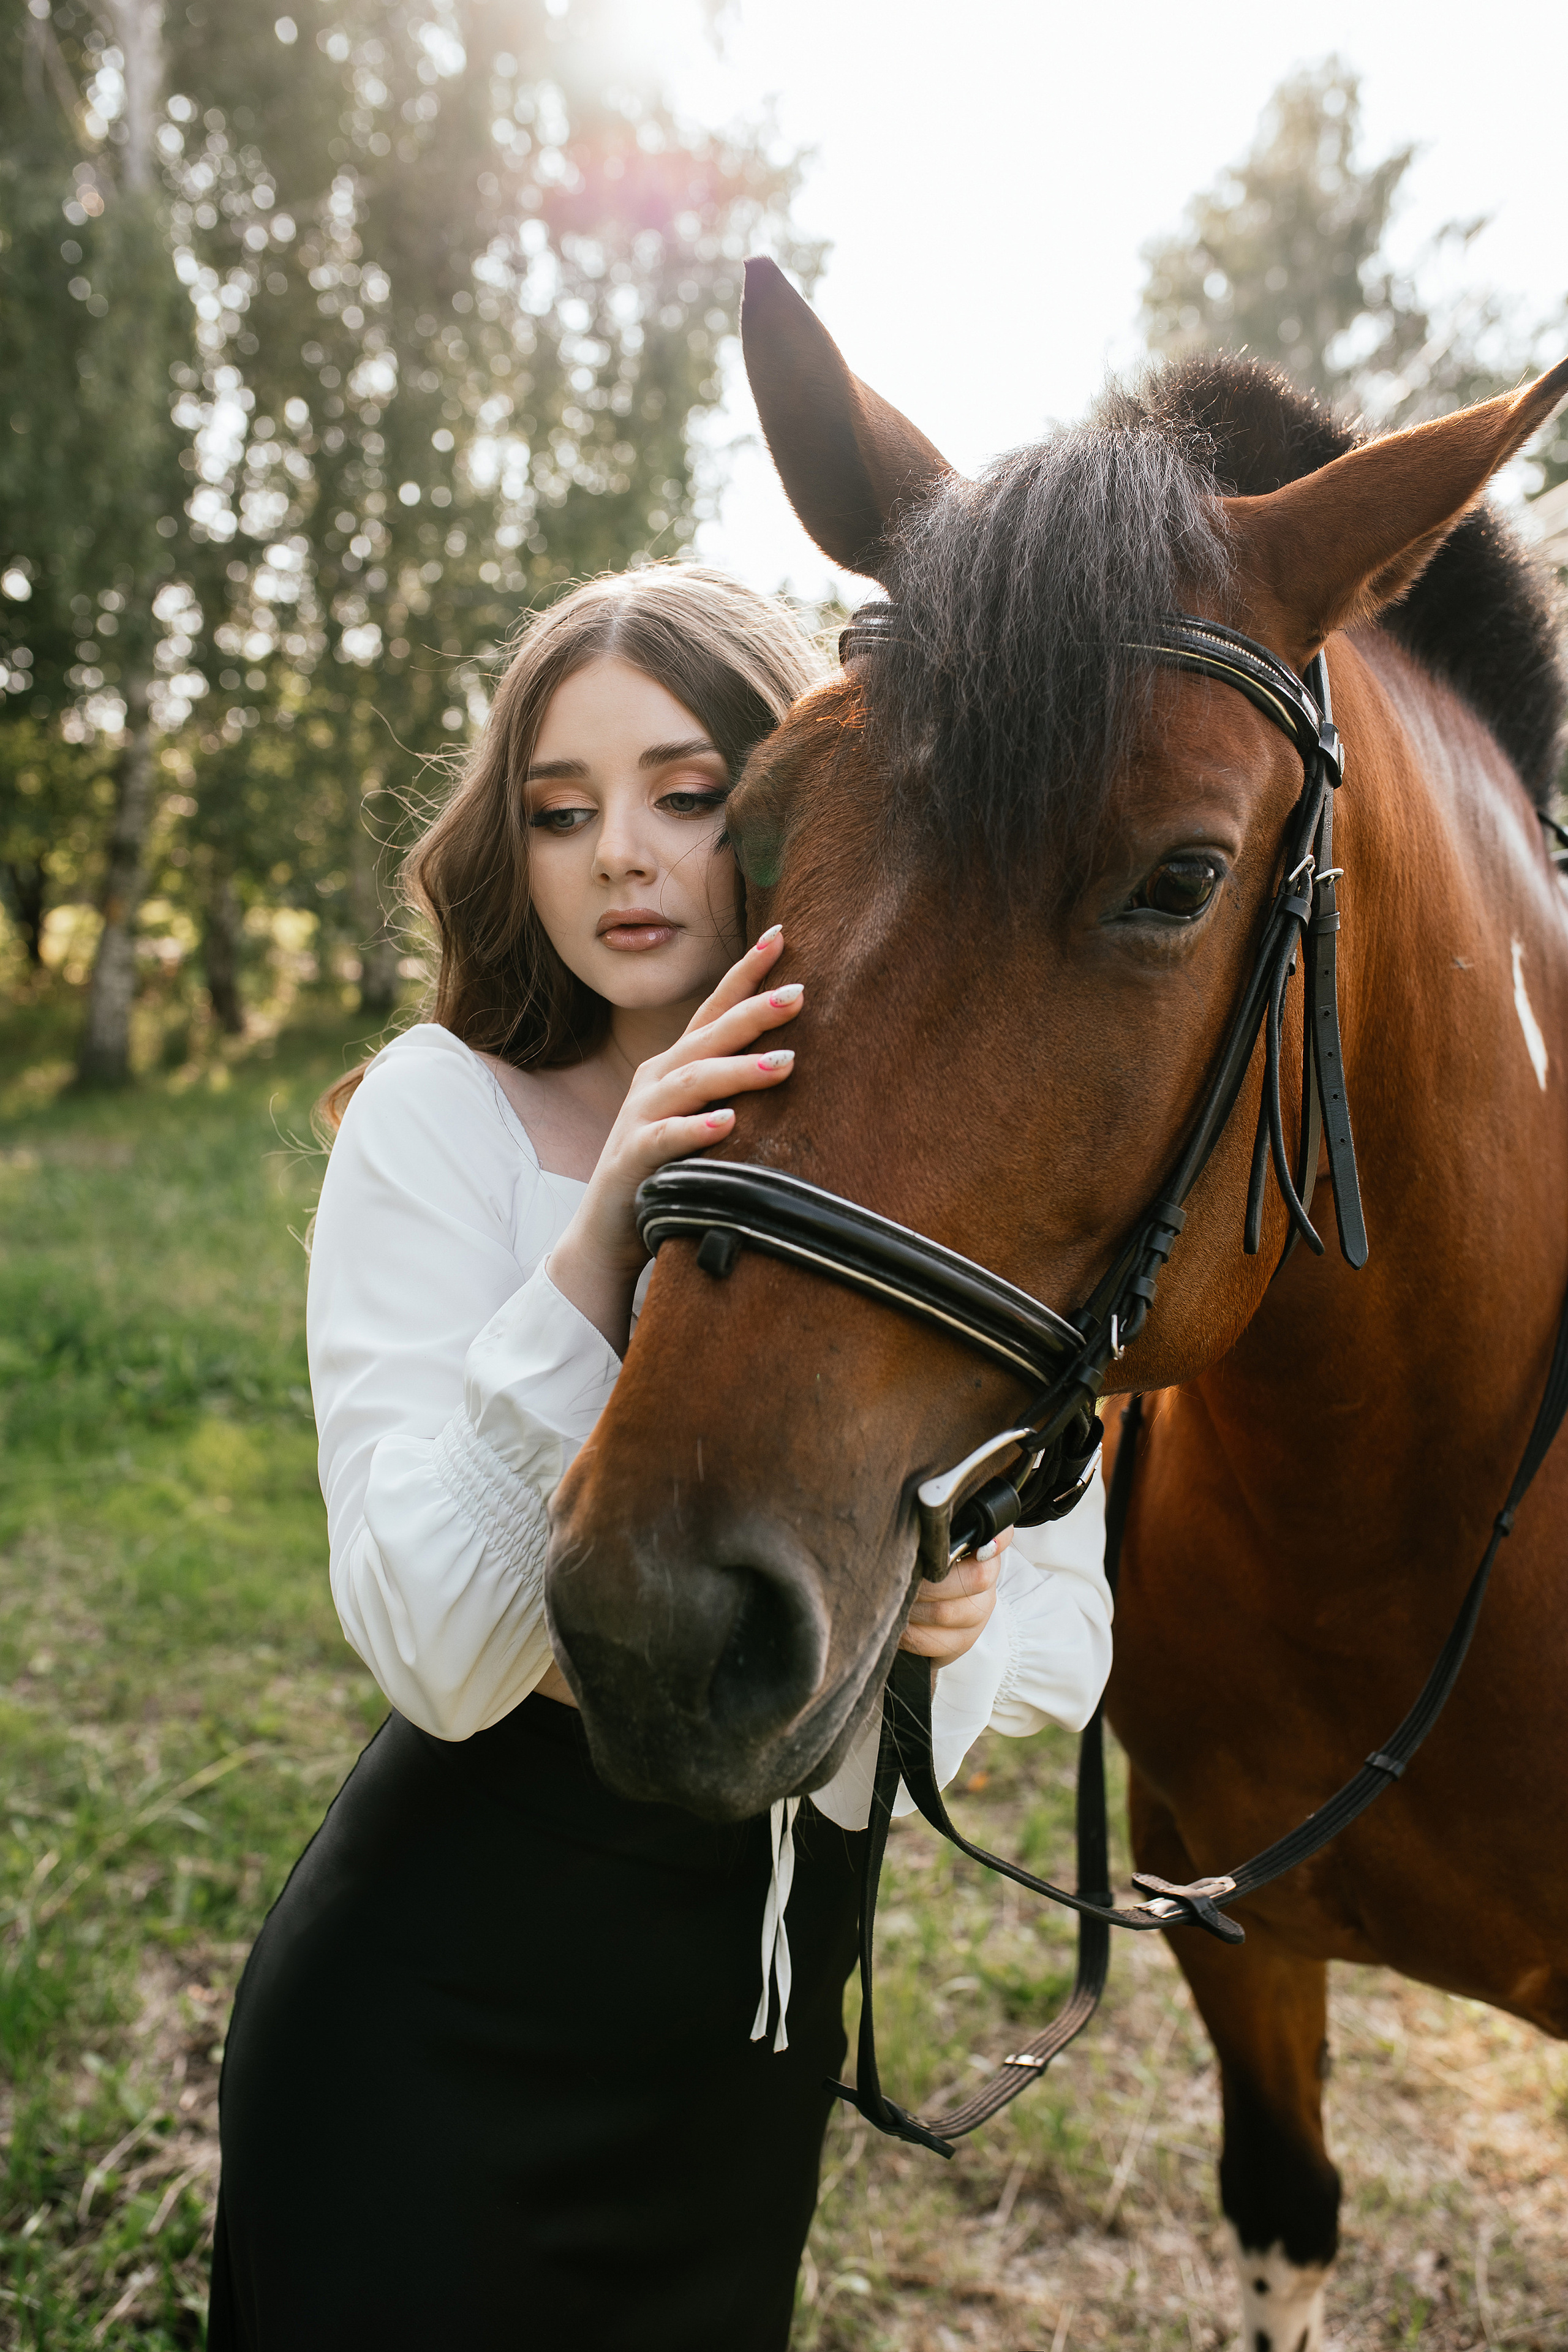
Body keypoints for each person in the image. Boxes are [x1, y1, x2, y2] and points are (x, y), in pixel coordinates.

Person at [207, 563, 1114, 2351]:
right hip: (430, 2034)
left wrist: (958, 1626)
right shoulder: (443, 1116)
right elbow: (440, 1658)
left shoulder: (968, 1164)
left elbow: (1077, 1642)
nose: (619, 852)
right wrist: (608, 1217)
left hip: (741, 2069)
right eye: (562, 811)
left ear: (795, 807)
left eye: (684, 793)